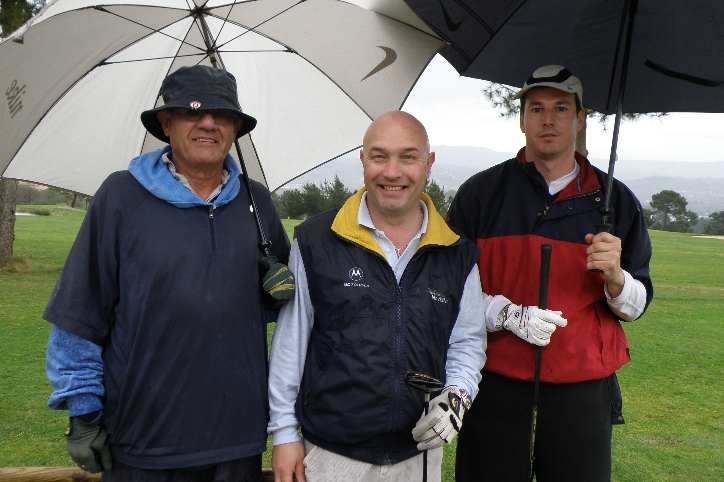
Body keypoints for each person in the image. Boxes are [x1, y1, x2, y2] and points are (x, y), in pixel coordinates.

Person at [44, 65, 293, 482]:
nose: (208, 123)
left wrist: (277, 291)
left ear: (234, 127)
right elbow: (81, 310)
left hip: (237, 437)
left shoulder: (257, 201)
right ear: (166, 122)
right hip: (143, 438)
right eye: (192, 112)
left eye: (221, 114)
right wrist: (83, 411)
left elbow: (279, 309)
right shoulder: (120, 196)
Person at [449, 65, 654, 482]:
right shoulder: (481, 194)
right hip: (495, 386)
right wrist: (503, 313)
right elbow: (447, 289)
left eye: (561, 109)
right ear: (522, 119)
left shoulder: (616, 201)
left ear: (580, 119)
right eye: (536, 108)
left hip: (581, 393)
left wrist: (616, 276)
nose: (548, 120)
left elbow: (636, 305)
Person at [267, 111, 488, 482]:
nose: (392, 172)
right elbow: (291, 342)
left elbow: (467, 341)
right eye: (379, 156)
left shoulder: (457, 251)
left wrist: (456, 395)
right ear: (363, 159)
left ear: (429, 163)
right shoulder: (315, 239)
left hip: (416, 455)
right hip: (331, 453)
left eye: (408, 156)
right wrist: (285, 433)